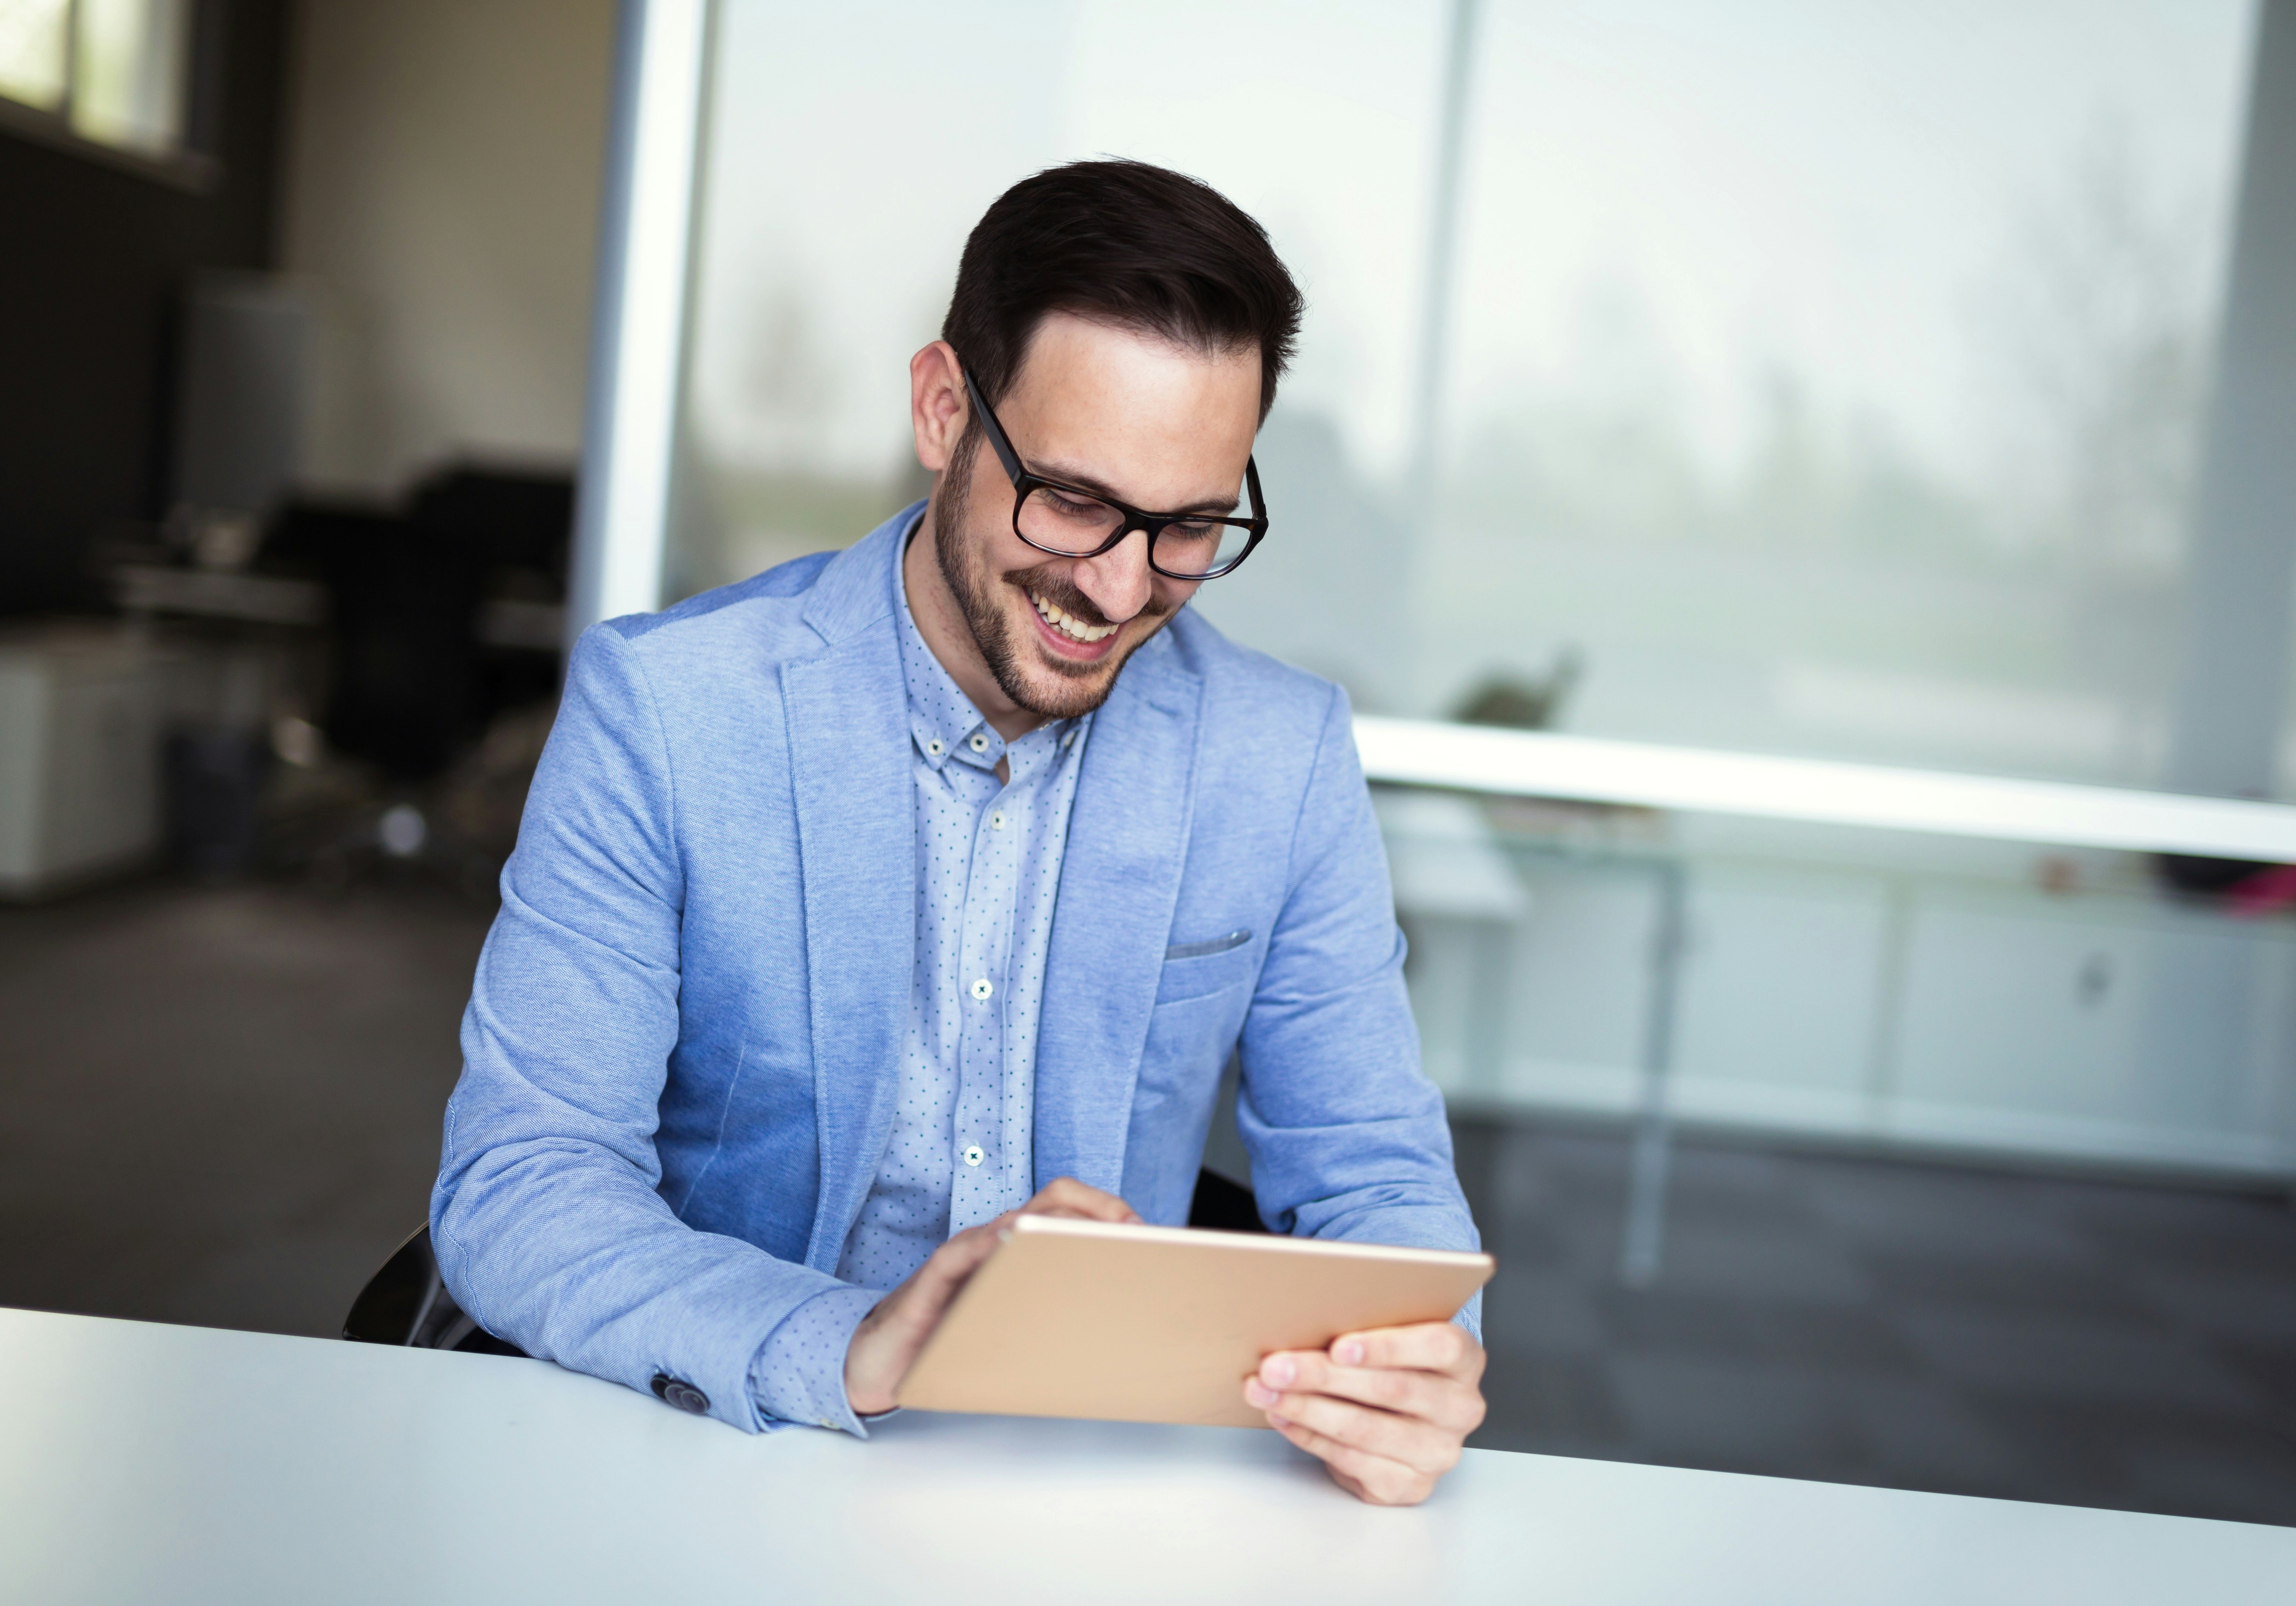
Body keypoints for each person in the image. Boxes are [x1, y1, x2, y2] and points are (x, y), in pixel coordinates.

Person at [432, 159, 1486, 1506]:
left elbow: (1377, 1178)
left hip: (1086, 1495)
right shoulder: (672, 712)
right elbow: (522, 1184)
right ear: (943, 411)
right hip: (725, 1453)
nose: (1118, 588)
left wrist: (1417, 1361)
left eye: (1190, 526)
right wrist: (848, 1343)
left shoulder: (1277, 759)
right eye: (1077, 501)